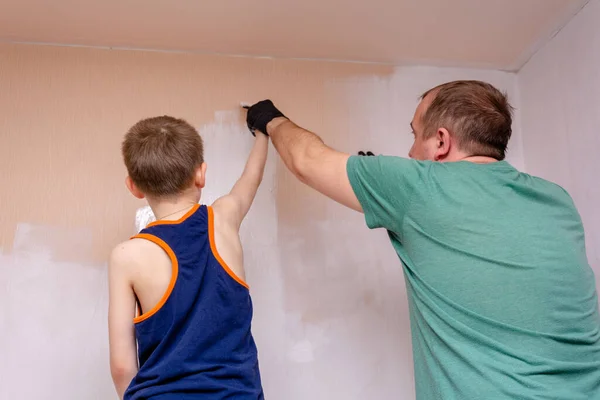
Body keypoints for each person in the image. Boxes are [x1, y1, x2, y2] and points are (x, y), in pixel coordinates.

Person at [243, 80, 600, 400]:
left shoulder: (419, 186)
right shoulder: (557, 200)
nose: (411, 151)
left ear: (442, 141)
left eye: (415, 135)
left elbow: (307, 160)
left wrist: (269, 118)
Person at [108, 116, 266, 399]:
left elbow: (122, 367)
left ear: (134, 186)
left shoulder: (126, 257)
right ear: (201, 174)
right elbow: (249, 180)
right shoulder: (223, 220)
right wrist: (263, 135)